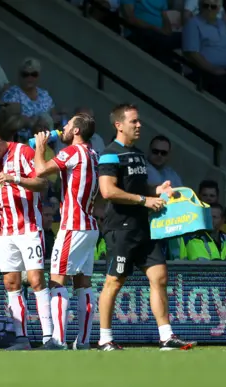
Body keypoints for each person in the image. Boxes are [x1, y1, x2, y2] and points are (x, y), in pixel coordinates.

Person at [97, 103, 196, 351]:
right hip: (121, 229)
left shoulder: (140, 155)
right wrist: (144, 200)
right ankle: (104, 339)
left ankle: (166, 337)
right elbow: (108, 191)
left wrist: (158, 191)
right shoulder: (109, 153)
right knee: (114, 282)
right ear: (119, 125)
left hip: (144, 228)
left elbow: (140, 190)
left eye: (139, 121)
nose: (139, 125)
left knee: (159, 277)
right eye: (133, 122)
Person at [0, 123, 52, 351]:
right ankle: (21, 338)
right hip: (5, 230)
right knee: (11, 282)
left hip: (29, 227)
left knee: (36, 280)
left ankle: (49, 337)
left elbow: (42, 183)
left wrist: (14, 179)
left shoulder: (24, 151)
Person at [32, 113, 100, 350]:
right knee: (84, 284)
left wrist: (41, 147)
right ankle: (83, 341)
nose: (64, 127)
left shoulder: (72, 152)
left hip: (72, 225)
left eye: (69, 125)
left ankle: (57, 341)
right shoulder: (93, 153)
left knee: (57, 281)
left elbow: (40, 171)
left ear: (77, 131)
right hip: (90, 225)